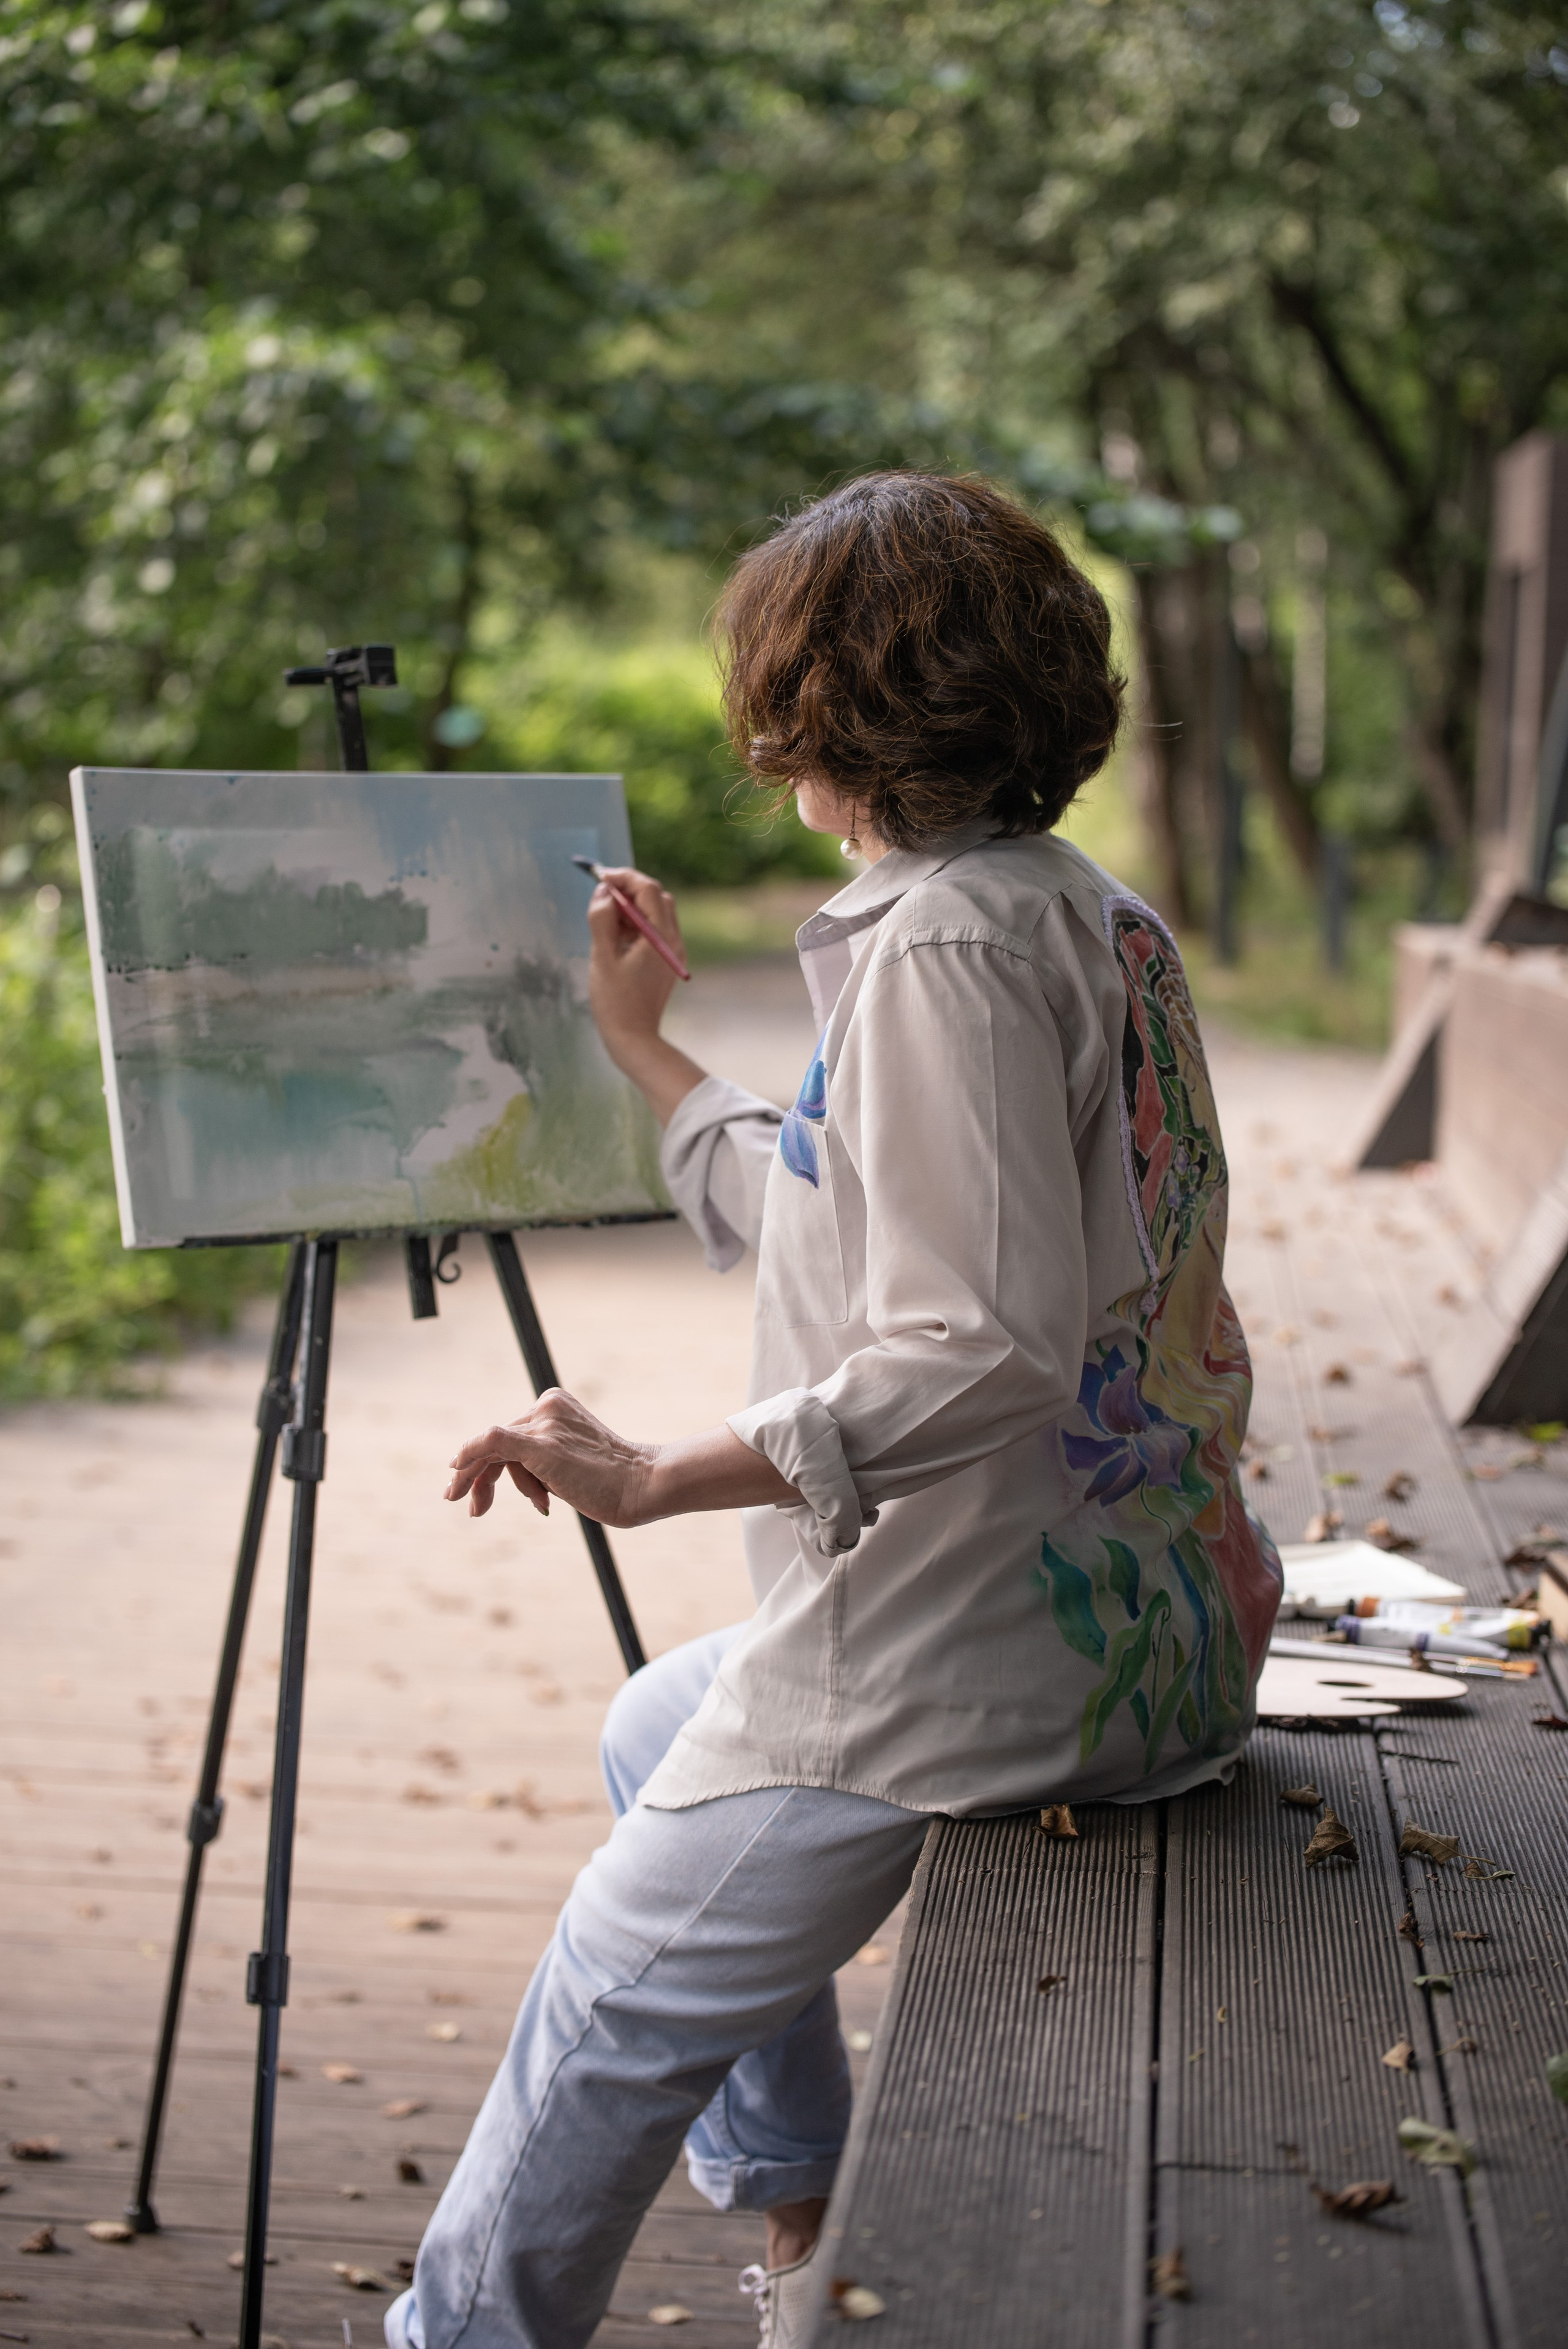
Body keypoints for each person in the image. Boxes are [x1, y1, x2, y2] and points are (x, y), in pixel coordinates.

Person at [384, 471, 1281, 2349]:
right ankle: (805, 2232)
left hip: (975, 1661)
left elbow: (980, 1345)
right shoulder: (1080, 911)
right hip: (1151, 1630)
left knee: (600, 2021)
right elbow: (843, 1195)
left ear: (832, 698)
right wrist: (639, 1048)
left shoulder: (946, 946)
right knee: (653, 1723)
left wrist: (654, 1472)